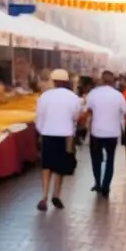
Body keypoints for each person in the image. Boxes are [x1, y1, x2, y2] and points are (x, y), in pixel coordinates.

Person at [34, 69, 82, 210]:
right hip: (66, 135)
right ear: (67, 82)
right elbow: (76, 117)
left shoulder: (44, 96)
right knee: (60, 166)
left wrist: (42, 131)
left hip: (48, 133)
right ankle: (56, 194)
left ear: (53, 82)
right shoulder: (73, 97)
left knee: (46, 166)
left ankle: (43, 196)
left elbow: (39, 116)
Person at [85, 71, 126, 198]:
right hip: (112, 132)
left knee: (96, 159)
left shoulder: (93, 94)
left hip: (96, 131)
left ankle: (97, 183)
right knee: (110, 159)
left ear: (102, 80)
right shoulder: (118, 95)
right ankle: (106, 186)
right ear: (113, 81)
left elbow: (87, 109)